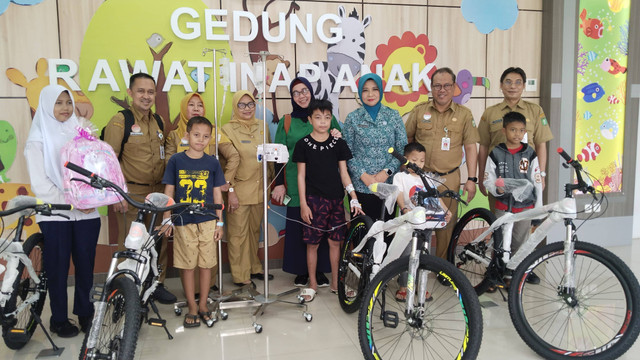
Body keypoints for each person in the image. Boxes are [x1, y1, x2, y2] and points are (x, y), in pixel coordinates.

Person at [24, 85, 101, 337]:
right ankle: (59, 318)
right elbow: (40, 183)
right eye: (58, 103)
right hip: (56, 213)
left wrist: (89, 197)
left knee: (85, 265)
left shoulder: (82, 132)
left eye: (68, 102)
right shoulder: (37, 139)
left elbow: (95, 168)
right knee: (57, 268)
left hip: (87, 212)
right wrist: (72, 199)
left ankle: (85, 313)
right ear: (46, 105)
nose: (65, 108)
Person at [102, 73, 176, 304]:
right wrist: (117, 194)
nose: (146, 96)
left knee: (157, 241)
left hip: (158, 192)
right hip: (131, 193)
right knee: (131, 243)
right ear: (131, 93)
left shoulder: (159, 122)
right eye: (141, 91)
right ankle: (127, 289)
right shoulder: (119, 121)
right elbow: (109, 159)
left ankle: (156, 285)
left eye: (150, 92)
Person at [165, 92, 239, 292]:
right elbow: (169, 179)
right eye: (191, 104)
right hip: (183, 210)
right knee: (187, 261)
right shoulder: (174, 136)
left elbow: (232, 156)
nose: (196, 108)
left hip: (208, 208)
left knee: (207, 259)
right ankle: (192, 296)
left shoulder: (215, 133)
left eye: (200, 104)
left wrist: (227, 183)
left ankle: (206, 293)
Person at [272, 77, 341, 287]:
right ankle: (301, 271)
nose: (302, 95)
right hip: (295, 181)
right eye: (296, 92)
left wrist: (337, 134)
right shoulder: (286, 121)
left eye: (305, 91)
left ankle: (320, 271)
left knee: (322, 226)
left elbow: (338, 142)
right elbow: (278, 155)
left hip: (324, 181)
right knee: (299, 226)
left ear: (311, 92)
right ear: (292, 97)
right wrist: (278, 183)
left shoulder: (325, 116)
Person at [293, 99, 364, 301]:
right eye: (318, 117)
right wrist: (304, 204)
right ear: (310, 119)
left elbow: (344, 172)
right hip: (314, 202)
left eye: (326, 117)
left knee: (336, 243)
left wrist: (354, 198)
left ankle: (335, 282)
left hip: (336, 202)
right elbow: (300, 176)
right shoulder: (303, 144)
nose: (323, 122)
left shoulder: (338, 144)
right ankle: (313, 284)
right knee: (312, 244)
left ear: (331, 119)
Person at [405, 67, 479, 260]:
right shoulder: (419, 111)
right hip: (420, 177)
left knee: (446, 224)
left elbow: (471, 147)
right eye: (437, 85)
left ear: (454, 87)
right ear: (431, 87)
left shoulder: (464, 115)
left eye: (447, 85)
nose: (442, 89)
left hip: (449, 177)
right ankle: (417, 263)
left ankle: (442, 267)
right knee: (418, 221)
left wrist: (472, 179)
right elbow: (408, 138)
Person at [162, 116, 225, 328]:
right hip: (183, 220)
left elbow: (217, 195)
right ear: (187, 135)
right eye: (196, 135)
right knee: (187, 266)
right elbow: (169, 191)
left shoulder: (213, 163)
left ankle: (204, 304)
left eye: (206, 136)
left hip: (208, 220)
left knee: (206, 265)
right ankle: (191, 306)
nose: (201, 140)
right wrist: (166, 219)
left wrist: (220, 223)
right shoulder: (176, 161)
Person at [483, 112, 542, 287]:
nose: (517, 134)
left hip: (525, 208)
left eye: (521, 130)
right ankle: (495, 273)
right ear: (504, 131)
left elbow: (537, 181)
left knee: (520, 241)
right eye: (513, 130)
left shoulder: (530, 153)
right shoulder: (497, 153)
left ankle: (513, 276)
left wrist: (537, 210)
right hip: (503, 205)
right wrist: (496, 188)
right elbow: (488, 178)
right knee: (500, 241)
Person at [478, 67, 553, 203]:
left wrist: (541, 175)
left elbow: (541, 144)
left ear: (524, 86)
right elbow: (483, 147)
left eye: (518, 82)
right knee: (499, 218)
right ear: (501, 85)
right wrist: (482, 175)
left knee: (525, 219)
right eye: (508, 82)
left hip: (527, 176)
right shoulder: (490, 113)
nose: (513, 86)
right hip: (499, 178)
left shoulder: (535, 111)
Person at [221, 91, 271, 286]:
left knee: (253, 232)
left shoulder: (263, 126)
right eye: (241, 105)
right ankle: (240, 276)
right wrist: (230, 190)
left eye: (250, 104)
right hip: (238, 192)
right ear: (235, 107)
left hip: (260, 189)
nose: (247, 108)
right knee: (237, 235)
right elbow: (226, 163)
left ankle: (253, 267)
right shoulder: (226, 130)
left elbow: (269, 156)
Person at [343, 73, 408, 221]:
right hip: (361, 186)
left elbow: (402, 148)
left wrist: (386, 172)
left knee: (386, 232)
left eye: (374, 89)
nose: (370, 94)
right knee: (362, 232)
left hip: (388, 185)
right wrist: (363, 175)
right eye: (365, 90)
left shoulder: (393, 116)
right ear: (360, 93)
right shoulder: (353, 118)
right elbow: (346, 152)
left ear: (381, 91)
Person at [392, 142, 451, 301]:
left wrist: (446, 210)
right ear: (405, 159)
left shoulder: (426, 177)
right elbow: (399, 193)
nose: (418, 164)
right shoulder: (401, 177)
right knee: (407, 255)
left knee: (423, 254)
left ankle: (420, 286)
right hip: (408, 223)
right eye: (414, 160)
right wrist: (404, 208)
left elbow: (435, 196)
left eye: (422, 161)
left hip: (427, 223)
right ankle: (404, 285)